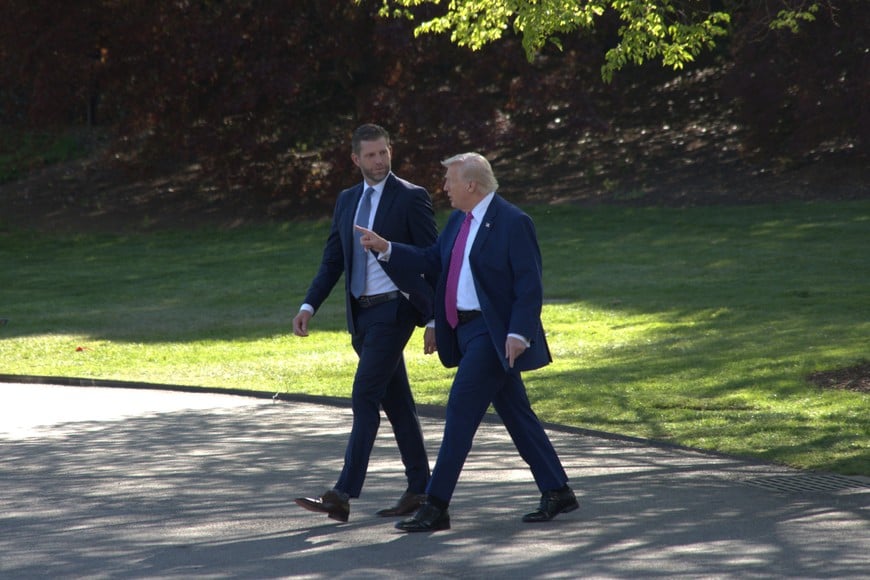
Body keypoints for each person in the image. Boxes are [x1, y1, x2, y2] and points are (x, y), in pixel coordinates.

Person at [357, 152, 577, 532]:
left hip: (493, 335)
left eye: (450, 181)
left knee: (459, 411)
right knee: (516, 414)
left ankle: (436, 503)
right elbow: (432, 259)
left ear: (471, 185)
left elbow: (529, 286)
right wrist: (387, 248)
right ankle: (558, 490)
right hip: (467, 331)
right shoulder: (460, 219)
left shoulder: (512, 222)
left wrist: (518, 333)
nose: (444, 188)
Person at [292, 124, 437, 523]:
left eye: (384, 153)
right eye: (370, 155)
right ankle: (421, 488)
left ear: (391, 152)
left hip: (396, 311)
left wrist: (435, 317)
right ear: (355, 159)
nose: (379, 161)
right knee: (399, 405)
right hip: (362, 315)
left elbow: (432, 259)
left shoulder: (411, 197)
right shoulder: (347, 200)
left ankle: (342, 493)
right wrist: (309, 305)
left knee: (364, 396)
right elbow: (332, 261)